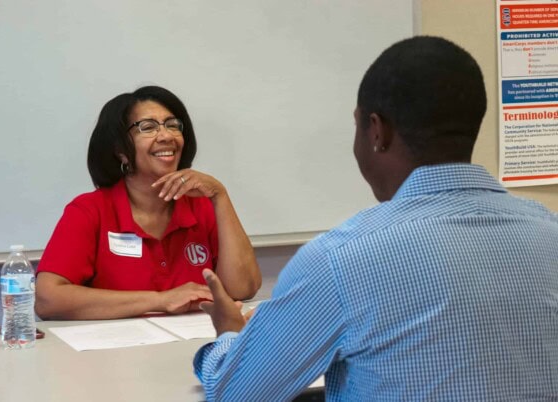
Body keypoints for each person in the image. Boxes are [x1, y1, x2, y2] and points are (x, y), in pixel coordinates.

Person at [194, 36, 558, 401]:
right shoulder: (550, 232)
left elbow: (235, 394)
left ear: (377, 131)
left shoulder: (339, 259)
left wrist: (230, 337)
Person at [35, 86, 261, 320]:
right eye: (148, 127)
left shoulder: (201, 205)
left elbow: (242, 289)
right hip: (114, 351)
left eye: (173, 125)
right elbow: (47, 299)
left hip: (194, 345)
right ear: (121, 151)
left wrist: (219, 196)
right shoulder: (90, 210)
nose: (167, 136)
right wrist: (161, 300)